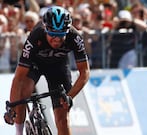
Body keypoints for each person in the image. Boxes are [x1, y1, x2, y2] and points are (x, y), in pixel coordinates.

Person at [4, 6, 90, 135]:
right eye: (53, 35)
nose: (56, 40)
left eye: (61, 36)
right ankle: (18, 132)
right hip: (35, 64)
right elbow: (19, 78)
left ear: (67, 32)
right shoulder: (36, 36)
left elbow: (85, 72)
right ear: (45, 29)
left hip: (58, 67)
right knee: (22, 94)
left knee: (62, 119)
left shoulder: (74, 37)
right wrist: (12, 107)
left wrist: (69, 97)